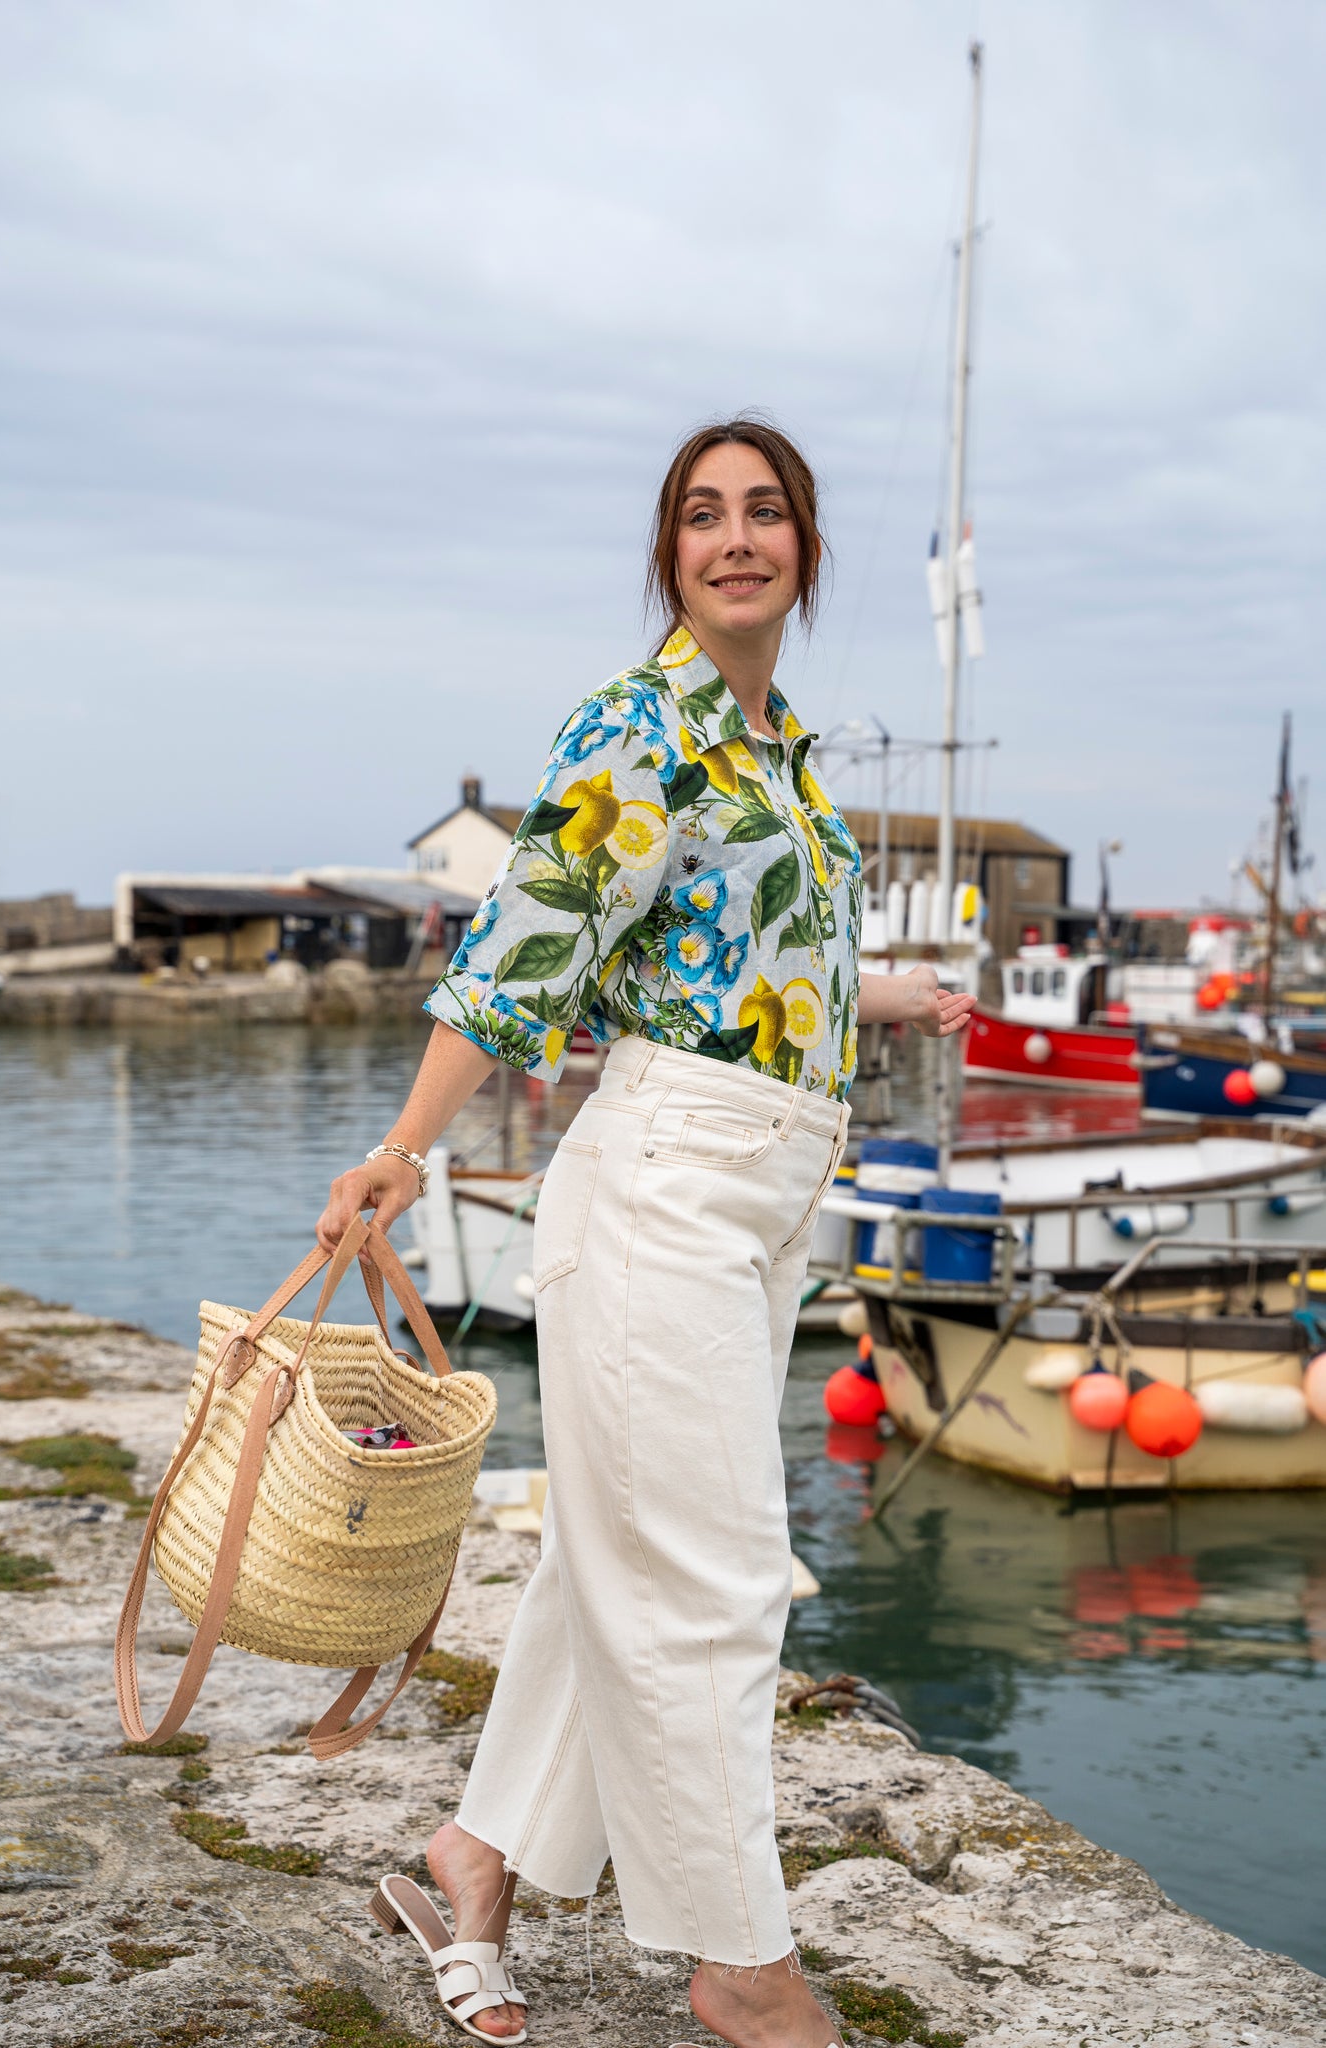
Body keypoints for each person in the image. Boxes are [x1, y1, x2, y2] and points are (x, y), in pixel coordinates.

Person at [316, 417, 974, 2048]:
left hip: (758, 1197)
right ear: (668, 553)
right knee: (715, 1580)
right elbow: (521, 958)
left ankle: (472, 1859)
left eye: (767, 513)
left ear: (806, 551)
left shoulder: (784, 752)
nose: (736, 536)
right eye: (703, 515)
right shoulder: (642, 724)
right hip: (663, 1187)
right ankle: (739, 1967)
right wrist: (406, 1148)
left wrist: (881, 992)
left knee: (614, 1557)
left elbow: (725, 961)